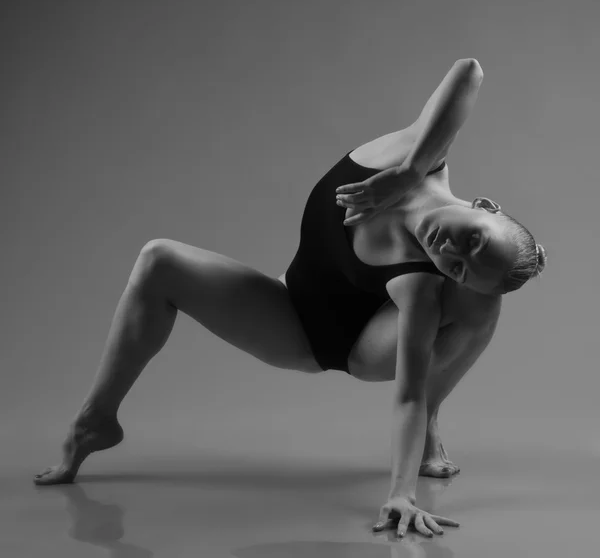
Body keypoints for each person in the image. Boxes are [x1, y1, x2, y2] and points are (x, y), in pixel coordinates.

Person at [33, 59, 546, 540]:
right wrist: (410, 172)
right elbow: (469, 70)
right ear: (484, 206)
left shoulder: (421, 287)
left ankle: (434, 427)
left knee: (485, 300)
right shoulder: (420, 155)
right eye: (473, 238)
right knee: (157, 259)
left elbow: (406, 393)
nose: (450, 251)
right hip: (289, 308)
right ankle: (95, 421)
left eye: (458, 267)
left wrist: (401, 494)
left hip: (348, 348)